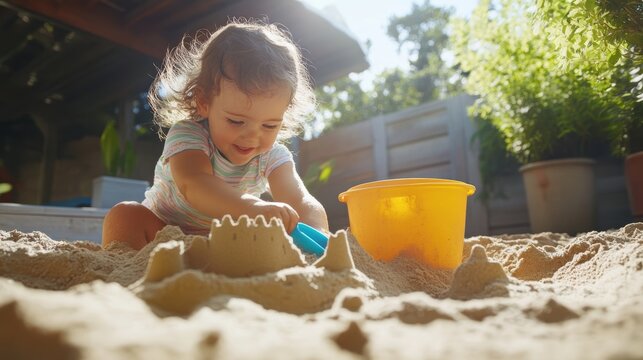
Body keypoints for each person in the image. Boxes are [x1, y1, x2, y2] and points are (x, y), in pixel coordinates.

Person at [102, 20, 329, 250]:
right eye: (236, 121)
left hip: (224, 246)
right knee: (125, 215)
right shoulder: (188, 135)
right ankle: (124, 268)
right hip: (164, 236)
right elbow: (195, 184)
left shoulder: (273, 156)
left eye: (270, 125)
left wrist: (316, 230)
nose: (252, 136)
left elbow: (300, 199)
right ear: (204, 102)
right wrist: (251, 207)